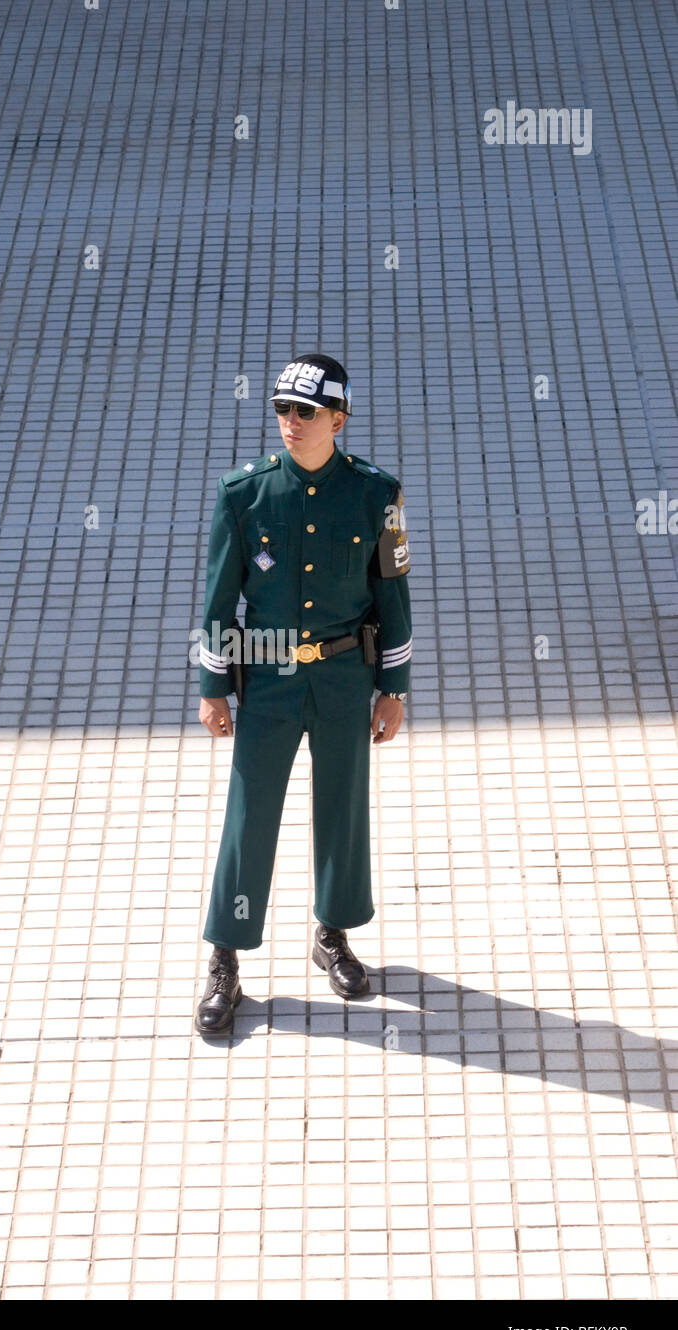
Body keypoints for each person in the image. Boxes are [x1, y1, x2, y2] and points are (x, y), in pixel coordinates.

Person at [194, 353, 412, 1037]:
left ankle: (333, 934)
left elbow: (392, 595)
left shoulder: (378, 495)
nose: (290, 423)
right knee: (248, 818)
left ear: (337, 420)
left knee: (344, 810)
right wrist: (213, 689)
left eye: (305, 412)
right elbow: (218, 599)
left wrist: (393, 688)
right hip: (268, 681)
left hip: (346, 678)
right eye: (282, 410)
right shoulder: (244, 494)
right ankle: (225, 958)